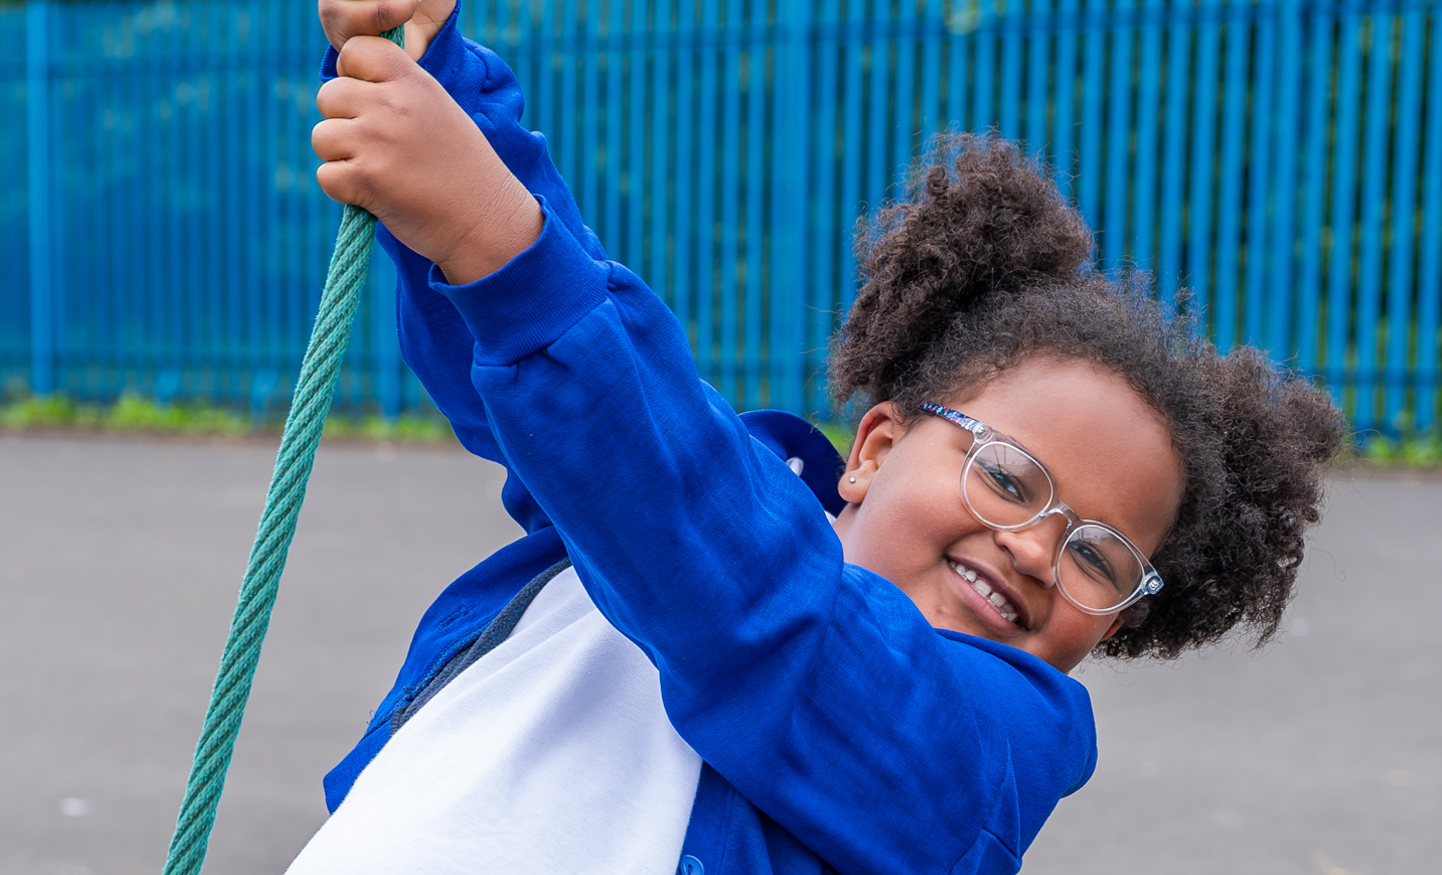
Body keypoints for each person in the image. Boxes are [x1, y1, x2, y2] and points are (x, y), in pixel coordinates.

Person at [290, 1, 1347, 872]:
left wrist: (494, 241)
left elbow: (763, 612)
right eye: (1009, 477)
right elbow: (570, 399)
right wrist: (437, 72)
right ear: (876, 447)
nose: (1034, 546)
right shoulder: (700, 498)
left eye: (1095, 553)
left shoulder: (987, 749)